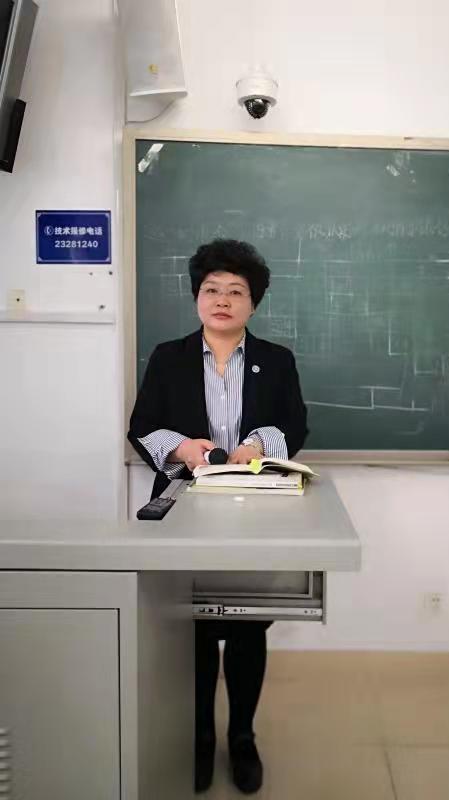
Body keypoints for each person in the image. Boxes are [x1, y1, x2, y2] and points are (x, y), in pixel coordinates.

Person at [128, 239, 308, 793]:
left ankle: (242, 738)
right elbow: (142, 425)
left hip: (255, 511)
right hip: (185, 508)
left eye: (236, 291)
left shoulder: (277, 360)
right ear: (196, 298)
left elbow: (294, 424)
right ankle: (200, 737)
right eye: (212, 290)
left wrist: (260, 442)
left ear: (253, 303)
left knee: (249, 624)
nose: (223, 300)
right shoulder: (168, 356)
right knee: (195, 627)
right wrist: (183, 448)